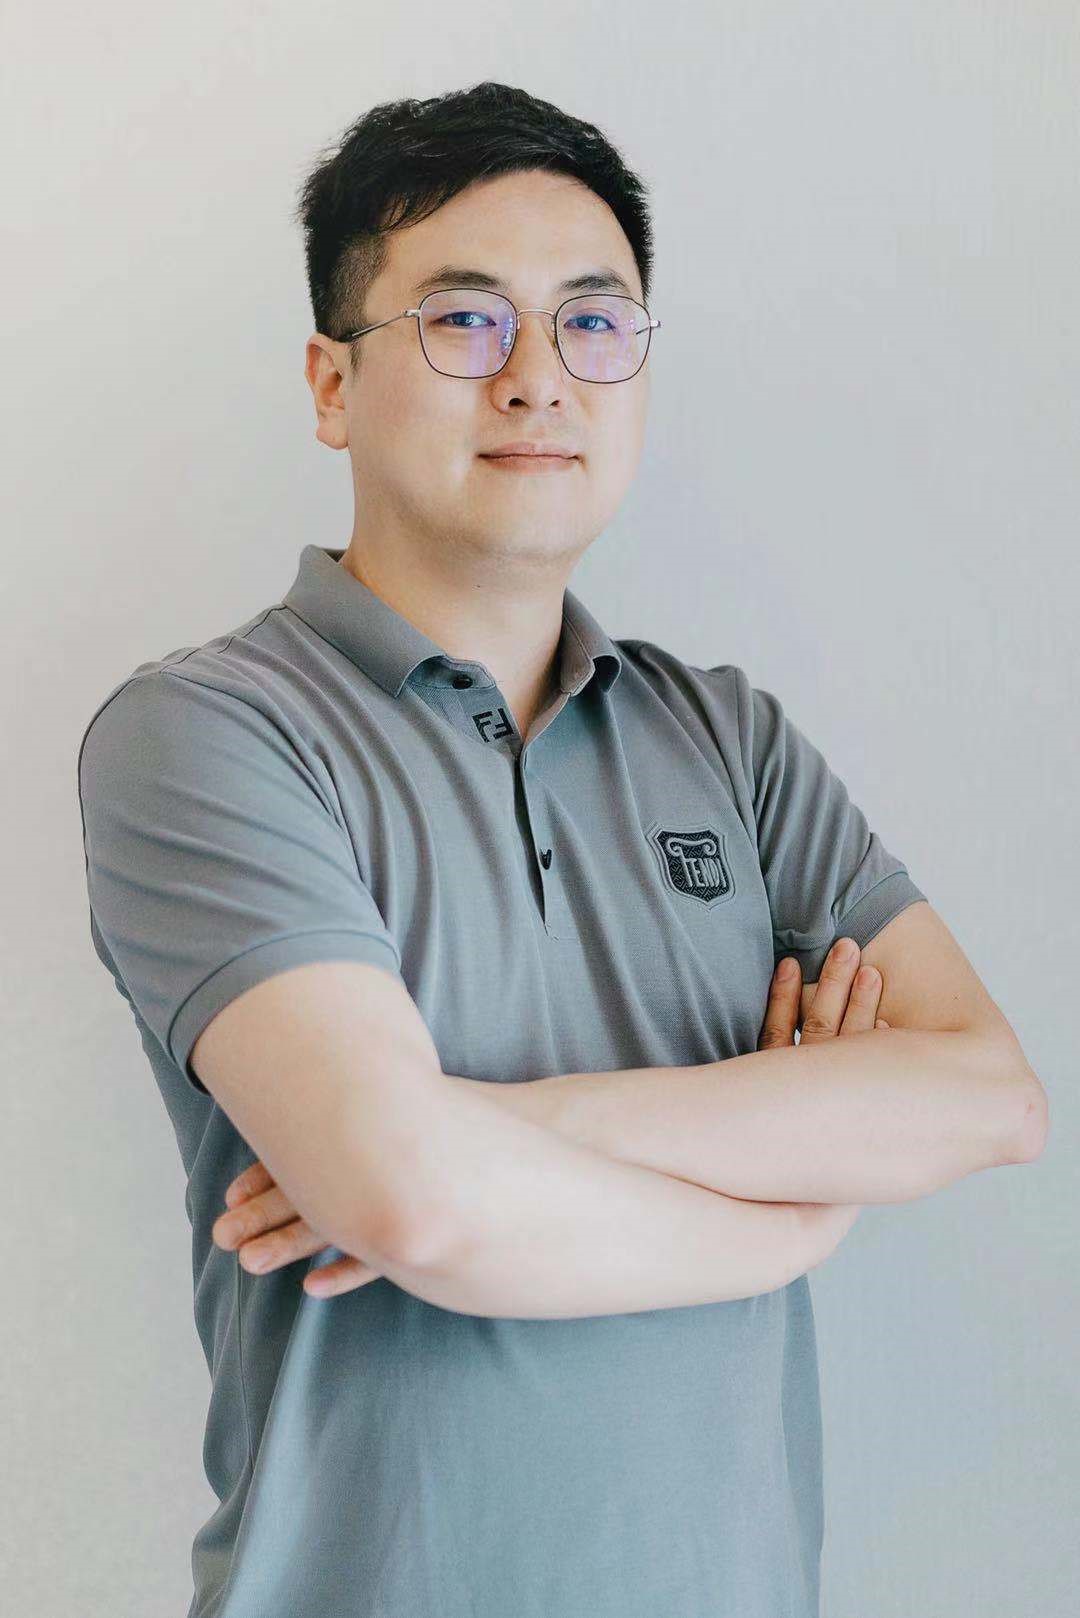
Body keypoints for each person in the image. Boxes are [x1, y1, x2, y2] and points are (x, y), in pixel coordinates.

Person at [77, 80, 1042, 1618]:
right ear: (332, 384)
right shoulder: (207, 732)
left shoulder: (728, 740)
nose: (539, 379)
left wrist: (493, 1120)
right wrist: (793, 1214)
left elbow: (990, 1096)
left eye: (593, 322)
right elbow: (413, 1201)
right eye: (466, 322)